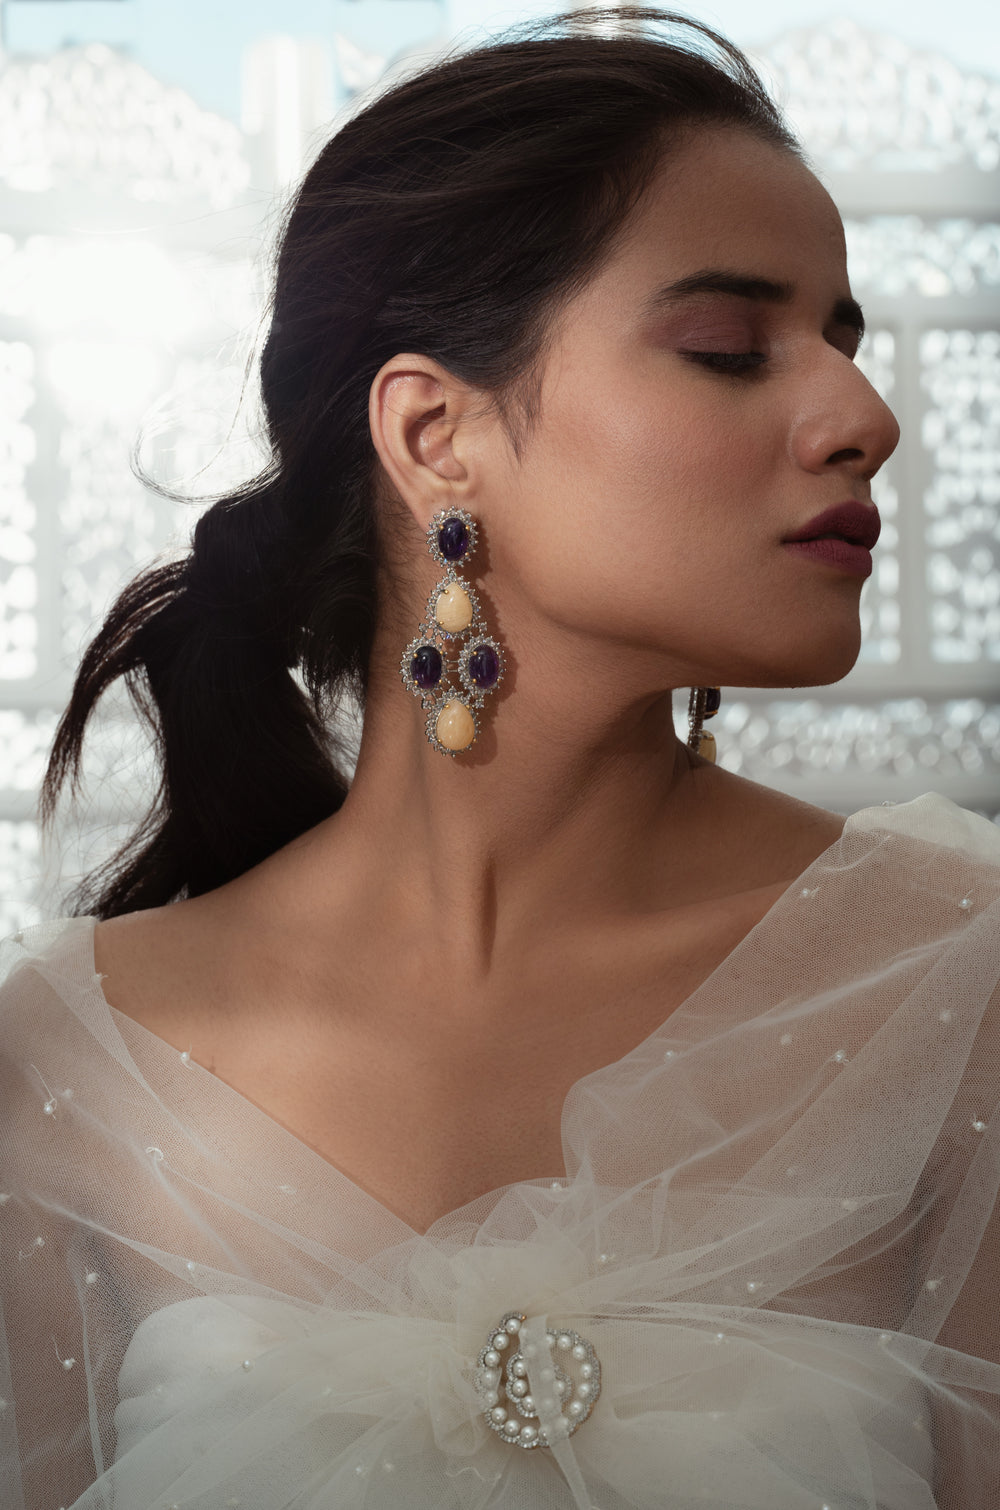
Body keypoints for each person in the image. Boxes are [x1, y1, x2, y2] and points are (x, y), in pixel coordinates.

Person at [1, 7, 998, 1506]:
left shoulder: (953, 983)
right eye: (730, 349)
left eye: (843, 344)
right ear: (434, 434)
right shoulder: (72, 1065)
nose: (866, 417)